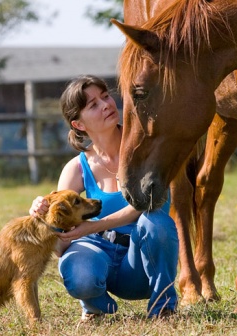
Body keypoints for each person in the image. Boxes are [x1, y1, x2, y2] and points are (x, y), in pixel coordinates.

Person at [29, 75, 179, 320]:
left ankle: (163, 307)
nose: (107, 105)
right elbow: (59, 244)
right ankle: (95, 308)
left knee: (156, 223)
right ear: (78, 124)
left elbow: (143, 206)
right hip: (97, 252)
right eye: (93, 105)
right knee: (76, 267)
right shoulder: (76, 168)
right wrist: (41, 217)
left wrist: (94, 225)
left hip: (141, 263)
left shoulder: (147, 150)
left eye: (106, 96)